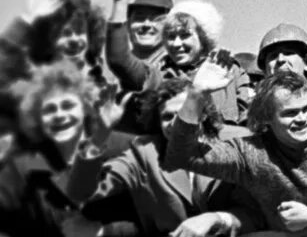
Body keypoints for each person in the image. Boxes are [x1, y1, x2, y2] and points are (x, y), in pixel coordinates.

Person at [164, 58, 307, 233]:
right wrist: (196, 94)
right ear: (266, 118)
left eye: (306, 109)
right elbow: (185, 155)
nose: (302, 119)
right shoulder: (250, 153)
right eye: (290, 113)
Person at [69, 77, 260, 237]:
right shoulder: (144, 152)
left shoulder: (241, 143)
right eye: (168, 117)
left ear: (203, 114)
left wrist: (217, 219)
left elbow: (259, 214)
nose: (177, 123)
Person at [97, 0, 246, 126]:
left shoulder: (231, 70)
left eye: (185, 35)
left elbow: (250, 122)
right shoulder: (159, 73)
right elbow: (119, 60)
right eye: (170, 36)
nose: (176, 43)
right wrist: (120, 2)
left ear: (203, 37)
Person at [0, 62, 131, 237]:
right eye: (49, 109)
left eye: (68, 105)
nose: (59, 115)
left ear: (85, 107)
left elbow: (155, 218)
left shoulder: (125, 148)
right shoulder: (23, 165)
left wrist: (104, 232)